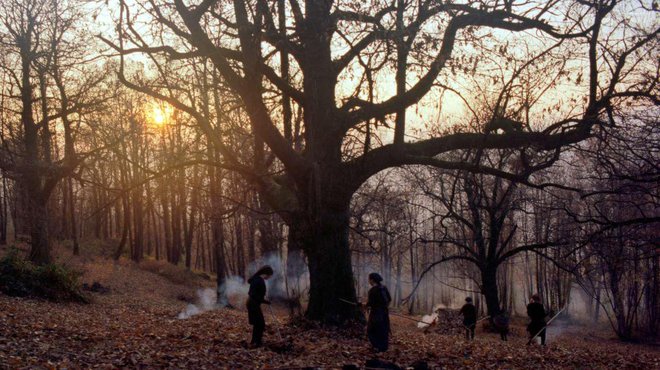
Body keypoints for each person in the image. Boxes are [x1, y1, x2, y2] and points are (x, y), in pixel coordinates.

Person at [246, 265, 273, 348]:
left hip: (254, 303)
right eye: (269, 275)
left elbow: (257, 294)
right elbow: (252, 294)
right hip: (252, 303)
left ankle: (255, 341)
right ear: (266, 273)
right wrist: (264, 301)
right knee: (260, 324)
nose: (269, 277)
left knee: (258, 323)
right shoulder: (258, 280)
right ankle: (256, 342)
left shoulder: (258, 279)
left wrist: (264, 301)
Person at [365, 272, 391, 352]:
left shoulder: (372, 290)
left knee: (371, 330)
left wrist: (363, 305)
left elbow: (370, 303)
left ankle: (377, 347)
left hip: (376, 313)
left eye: (369, 279)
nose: (369, 281)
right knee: (383, 329)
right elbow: (389, 299)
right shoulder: (384, 288)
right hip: (384, 313)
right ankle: (383, 347)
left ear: (372, 280)